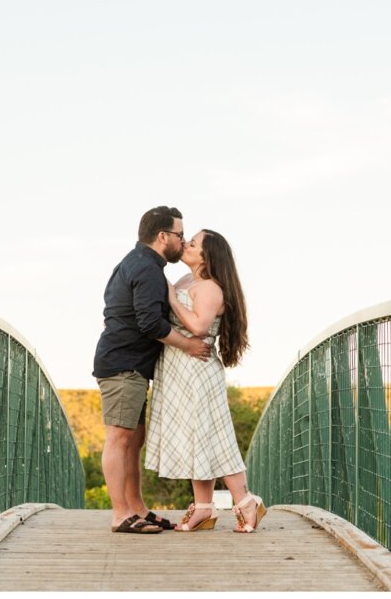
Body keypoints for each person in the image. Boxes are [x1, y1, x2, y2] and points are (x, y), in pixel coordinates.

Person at [93, 206, 211, 534]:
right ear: (163, 236)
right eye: (179, 235)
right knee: (119, 438)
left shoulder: (140, 264)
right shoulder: (146, 268)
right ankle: (121, 514)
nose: (182, 241)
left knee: (134, 438)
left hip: (130, 365)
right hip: (122, 364)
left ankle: (137, 508)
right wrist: (189, 346)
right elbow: (148, 322)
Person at [145, 229, 267, 533]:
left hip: (197, 370)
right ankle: (203, 507)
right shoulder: (189, 281)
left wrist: (172, 299)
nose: (186, 244)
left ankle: (246, 502)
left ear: (207, 255)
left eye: (193, 243)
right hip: (178, 369)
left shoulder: (210, 287)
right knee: (195, 438)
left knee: (215, 437)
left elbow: (199, 326)